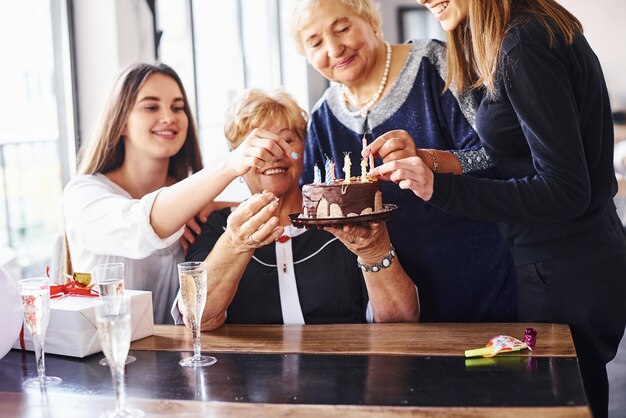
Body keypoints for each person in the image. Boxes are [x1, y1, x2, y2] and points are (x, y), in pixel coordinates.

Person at [370, 1, 626, 416]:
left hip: (564, 270)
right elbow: (511, 153)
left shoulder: (521, 43)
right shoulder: (527, 29)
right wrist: (431, 159)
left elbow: (565, 190)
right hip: (578, 259)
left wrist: (442, 189)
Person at [288, 0, 516, 322]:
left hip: (481, 283)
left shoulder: (433, 64)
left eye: (342, 29)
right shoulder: (323, 117)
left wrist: (429, 162)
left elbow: (499, 159)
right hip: (392, 304)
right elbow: (310, 205)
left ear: (370, 20)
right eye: (315, 42)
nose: (335, 48)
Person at [63, 63, 299, 324]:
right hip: (105, 355)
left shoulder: (195, 204)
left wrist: (215, 205)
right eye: (151, 107)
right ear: (121, 123)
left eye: (177, 107)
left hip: (173, 356)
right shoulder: (83, 194)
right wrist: (230, 163)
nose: (169, 117)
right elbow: (142, 224)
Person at [177, 88, 419, 328]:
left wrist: (374, 251)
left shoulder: (347, 220)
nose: (273, 154)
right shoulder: (213, 226)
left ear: (303, 148)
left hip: (341, 363)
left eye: (286, 139)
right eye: (259, 143)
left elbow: (400, 320)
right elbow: (198, 318)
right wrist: (235, 243)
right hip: (250, 365)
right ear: (236, 158)